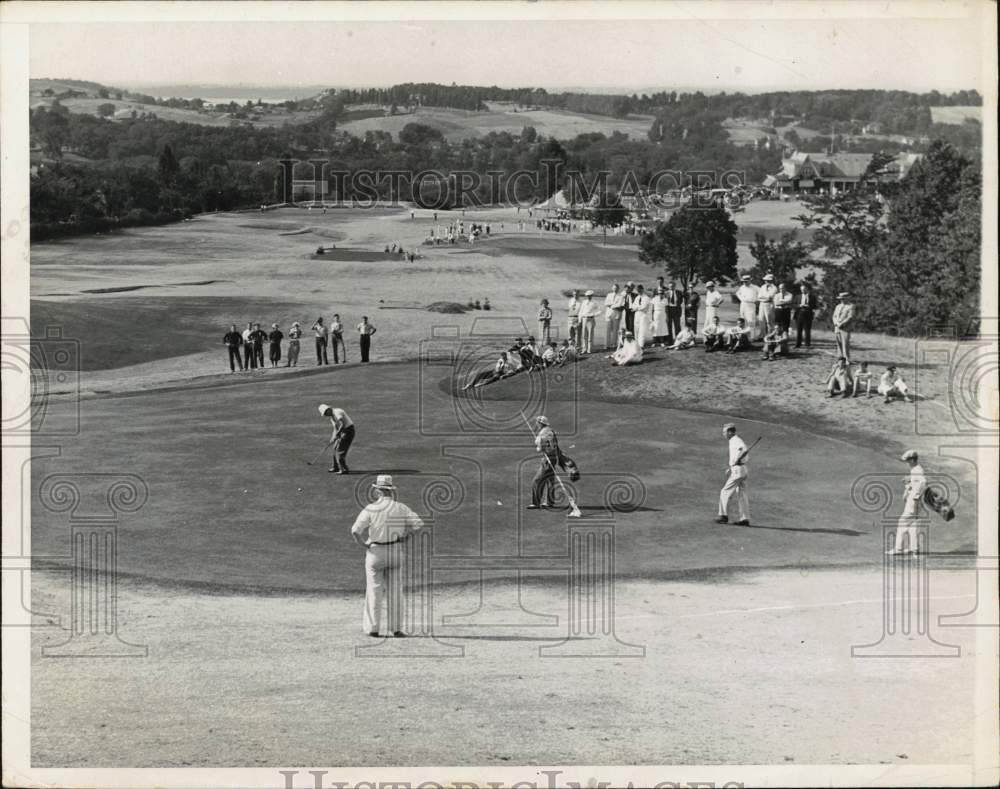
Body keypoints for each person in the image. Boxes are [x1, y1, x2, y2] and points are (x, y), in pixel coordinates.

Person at [350, 474, 425, 637]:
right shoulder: (401, 507)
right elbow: (418, 524)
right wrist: (406, 537)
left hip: (375, 552)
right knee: (395, 591)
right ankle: (396, 629)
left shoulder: (371, 508)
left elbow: (355, 530)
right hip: (395, 551)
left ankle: (373, 629)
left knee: (374, 590)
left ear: (378, 491)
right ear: (391, 490)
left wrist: (363, 544)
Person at [887, 450, 926, 555]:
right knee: (913, 525)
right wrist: (908, 486)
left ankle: (898, 549)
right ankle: (914, 549)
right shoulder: (915, 470)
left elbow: (923, 483)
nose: (907, 463)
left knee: (902, 523)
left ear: (912, 460)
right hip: (915, 501)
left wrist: (916, 496)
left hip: (914, 502)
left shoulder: (917, 470)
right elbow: (915, 483)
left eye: (908, 461)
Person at [717, 423, 750, 526]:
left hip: (738, 471)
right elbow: (741, 451)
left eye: (724, 432)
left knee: (725, 492)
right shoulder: (734, 440)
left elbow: (743, 449)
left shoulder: (735, 440)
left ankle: (723, 516)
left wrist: (738, 459)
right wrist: (732, 466)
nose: (723, 434)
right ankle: (744, 519)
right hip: (742, 470)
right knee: (742, 494)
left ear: (730, 432)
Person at [527, 416, 560, 510]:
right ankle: (550, 502)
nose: (536, 424)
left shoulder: (543, 433)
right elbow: (555, 445)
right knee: (550, 480)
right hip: (553, 457)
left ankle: (536, 503)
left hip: (548, 459)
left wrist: (540, 447)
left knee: (537, 480)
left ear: (541, 423)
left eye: (537, 422)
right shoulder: (551, 431)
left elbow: (541, 448)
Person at [319, 403, 355, 474]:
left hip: (348, 431)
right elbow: (335, 429)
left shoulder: (337, 412)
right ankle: (335, 467)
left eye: (325, 413)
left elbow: (342, 424)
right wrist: (332, 438)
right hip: (342, 431)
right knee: (334, 448)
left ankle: (344, 469)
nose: (326, 415)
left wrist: (338, 433)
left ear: (328, 409)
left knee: (340, 449)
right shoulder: (332, 418)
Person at [831, 291, 855, 362]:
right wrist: (836, 323)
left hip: (845, 327)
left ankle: (847, 358)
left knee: (845, 343)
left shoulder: (851, 306)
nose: (842, 300)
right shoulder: (838, 306)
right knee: (838, 342)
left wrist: (842, 324)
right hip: (837, 327)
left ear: (847, 298)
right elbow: (834, 316)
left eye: (843, 299)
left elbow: (850, 317)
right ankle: (840, 358)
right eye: (841, 299)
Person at [794, 282, 818, 348]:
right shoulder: (797, 296)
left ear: (807, 289)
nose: (803, 291)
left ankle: (807, 344)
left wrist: (809, 306)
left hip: (808, 314)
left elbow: (815, 306)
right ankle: (798, 344)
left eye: (804, 289)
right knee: (799, 330)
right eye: (801, 290)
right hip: (799, 314)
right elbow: (793, 305)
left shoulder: (812, 297)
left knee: (807, 330)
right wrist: (799, 305)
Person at [756, 274, 778, 341]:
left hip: (769, 305)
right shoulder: (762, 287)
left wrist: (763, 297)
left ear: (771, 280)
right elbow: (759, 297)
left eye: (767, 280)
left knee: (769, 321)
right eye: (765, 280)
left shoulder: (774, 288)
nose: (766, 281)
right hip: (762, 304)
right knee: (761, 320)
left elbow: (770, 297)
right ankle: (762, 335)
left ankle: (770, 335)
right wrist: (764, 298)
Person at [735, 275, 758, 339]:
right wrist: (741, 299)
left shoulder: (755, 287)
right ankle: (744, 336)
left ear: (750, 281)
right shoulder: (742, 287)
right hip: (743, 304)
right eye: (744, 281)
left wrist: (756, 299)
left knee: (751, 321)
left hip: (751, 305)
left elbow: (761, 294)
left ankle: (752, 337)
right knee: (743, 320)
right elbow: (737, 293)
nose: (745, 282)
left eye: (746, 281)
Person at [604, 283, 626, 350]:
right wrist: (614, 304)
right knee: (608, 330)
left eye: (616, 288)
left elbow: (620, 305)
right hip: (609, 314)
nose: (615, 289)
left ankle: (614, 344)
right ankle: (607, 345)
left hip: (616, 314)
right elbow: (606, 303)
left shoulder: (621, 296)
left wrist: (612, 305)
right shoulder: (609, 295)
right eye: (614, 288)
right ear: (612, 288)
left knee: (615, 330)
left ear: (618, 289)